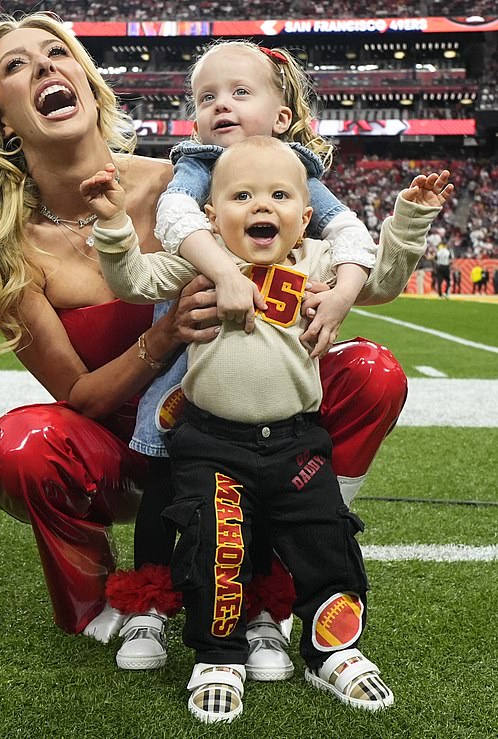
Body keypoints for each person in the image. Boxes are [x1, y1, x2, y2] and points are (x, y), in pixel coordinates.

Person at [0, 13, 410, 671]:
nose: (43, 68)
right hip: (124, 457)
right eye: (15, 65)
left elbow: (311, 234)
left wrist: (334, 288)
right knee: (23, 449)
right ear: (4, 119)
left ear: (89, 86)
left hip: (233, 430)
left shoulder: (198, 177)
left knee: (375, 371)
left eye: (56, 53)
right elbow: (75, 395)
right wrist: (162, 336)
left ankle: (287, 567)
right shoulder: (6, 249)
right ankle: (110, 601)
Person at [82, 136, 453, 721]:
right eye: (242, 195)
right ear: (210, 216)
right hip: (210, 442)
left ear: (305, 217)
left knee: (326, 540)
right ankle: (219, 654)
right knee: (213, 547)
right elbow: (131, 279)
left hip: (295, 439)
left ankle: (332, 648)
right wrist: (112, 224)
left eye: (279, 195)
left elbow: (381, 282)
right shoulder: (198, 262)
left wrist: (408, 220)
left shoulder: (320, 263)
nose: (262, 206)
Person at [102, 39, 397, 678]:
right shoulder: (201, 166)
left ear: (283, 114)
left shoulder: (299, 175)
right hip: (193, 343)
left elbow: (349, 234)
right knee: (164, 466)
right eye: (207, 97)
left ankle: (261, 606)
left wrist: (342, 293)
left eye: (240, 92)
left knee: (263, 492)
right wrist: (224, 275)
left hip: (269, 354)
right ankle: (152, 597)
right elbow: (178, 215)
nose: (221, 106)